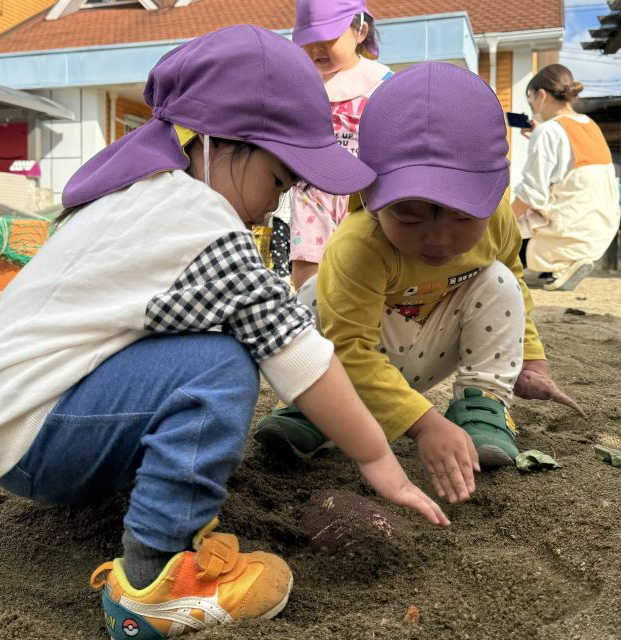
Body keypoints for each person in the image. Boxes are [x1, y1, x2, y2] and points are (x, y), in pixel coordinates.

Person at [0, 26, 450, 639]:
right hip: (41, 434)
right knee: (222, 364)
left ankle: (151, 506)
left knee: (204, 352)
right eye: (278, 181)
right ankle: (153, 582)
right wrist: (377, 458)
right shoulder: (201, 218)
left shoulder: (138, 193)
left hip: (21, 421)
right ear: (213, 144)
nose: (273, 209)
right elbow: (298, 355)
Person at [255, 62, 584, 503]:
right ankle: (318, 409)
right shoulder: (360, 245)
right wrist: (424, 424)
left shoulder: (497, 224)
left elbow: (516, 287)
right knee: (315, 291)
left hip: (433, 348)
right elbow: (350, 347)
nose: (439, 237)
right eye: (409, 214)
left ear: (491, 196)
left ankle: (482, 405)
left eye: (463, 215)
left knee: (499, 280)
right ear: (370, 196)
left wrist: (531, 360)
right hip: (352, 361)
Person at [288, 0, 392, 290]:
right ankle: (309, 322)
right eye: (308, 40)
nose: (316, 48)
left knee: (363, 266)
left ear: (360, 31)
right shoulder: (304, 85)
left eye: (328, 37)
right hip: (311, 193)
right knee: (308, 269)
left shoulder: (381, 83)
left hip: (365, 195)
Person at [511, 64, 620, 291]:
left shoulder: (548, 131)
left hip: (569, 234)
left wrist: (502, 222)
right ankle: (557, 267)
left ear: (541, 95)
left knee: (506, 234)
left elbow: (531, 194)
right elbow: (572, 168)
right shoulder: (589, 125)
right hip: (600, 230)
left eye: (530, 98)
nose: (530, 107)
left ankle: (554, 267)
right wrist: (537, 137)